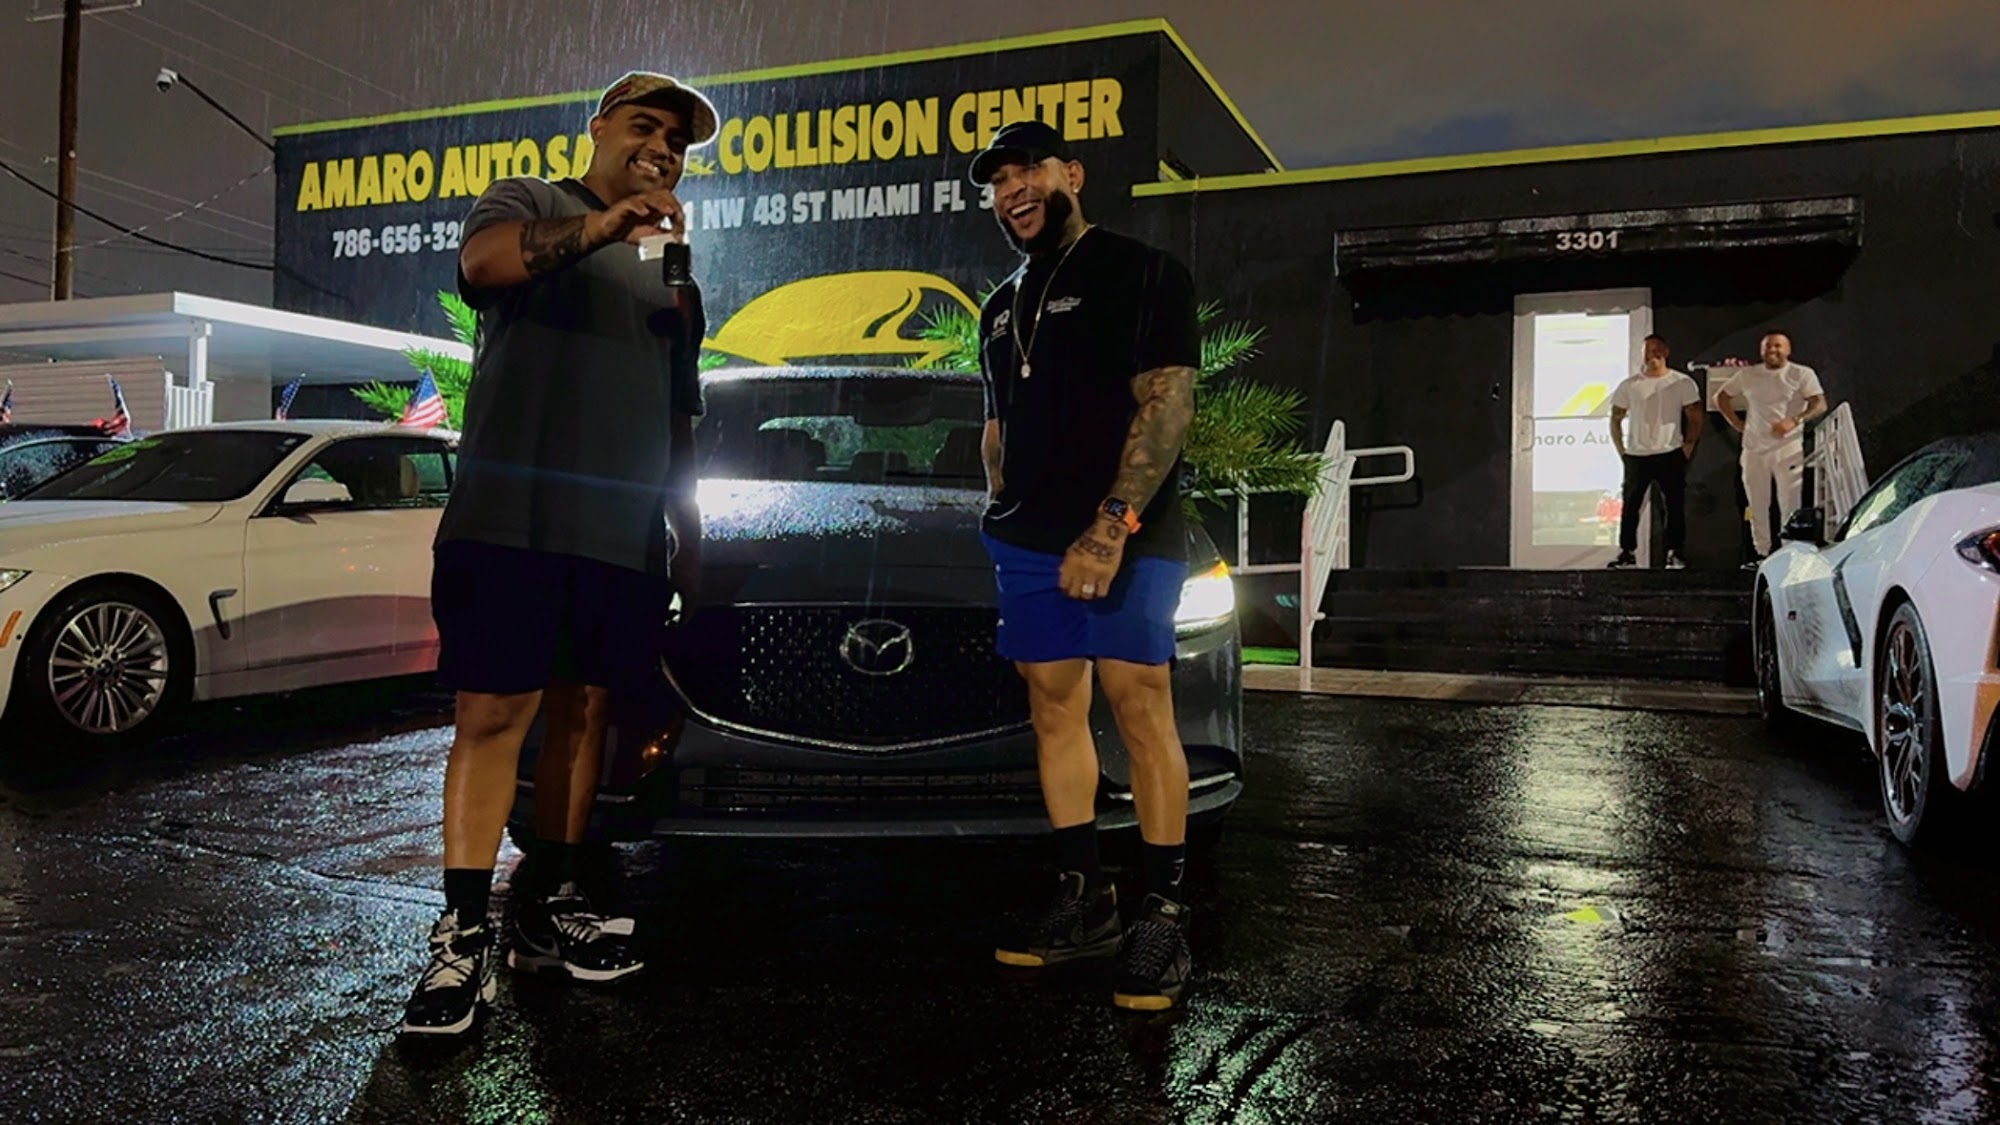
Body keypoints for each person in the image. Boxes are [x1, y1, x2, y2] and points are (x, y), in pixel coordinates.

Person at [399, 71, 714, 1037]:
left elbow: (678, 414)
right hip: (512, 520)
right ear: (600, 129)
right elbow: (485, 264)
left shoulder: (676, 275)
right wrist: (607, 224)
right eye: (644, 127)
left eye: (678, 143)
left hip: (621, 535)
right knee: (494, 715)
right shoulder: (531, 200)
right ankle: (462, 932)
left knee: (584, 716)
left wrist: (685, 529)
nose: (662, 149)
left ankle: (550, 903)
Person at [969, 119, 1203, 1011]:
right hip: (1027, 543)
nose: (1013, 192)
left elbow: (1167, 405)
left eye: (1027, 171)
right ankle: (1085, 898)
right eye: (998, 183)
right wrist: (999, 507)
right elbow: (998, 424)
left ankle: (1164, 910)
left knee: (1139, 705)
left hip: (1127, 534)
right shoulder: (1000, 306)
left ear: (1072, 173)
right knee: (1053, 708)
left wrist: (1111, 524)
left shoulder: (1143, 272)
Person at [1713, 332, 1827, 566]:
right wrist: (1736, 423)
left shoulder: (1801, 373)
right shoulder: (1748, 374)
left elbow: (1819, 403)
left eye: (1777, 346)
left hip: (1788, 448)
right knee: (1757, 504)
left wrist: (1795, 420)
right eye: (1767, 347)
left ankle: (1790, 554)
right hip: (1754, 449)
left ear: (1788, 349)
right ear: (1761, 350)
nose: (1772, 350)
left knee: (1790, 502)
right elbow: (1721, 397)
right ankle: (1762, 553)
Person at [1606, 334, 1702, 569]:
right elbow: (1616, 417)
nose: (1653, 353)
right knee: (1630, 506)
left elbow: (1695, 415)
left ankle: (1675, 552)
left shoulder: (1682, 382)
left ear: (1666, 352)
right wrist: (1622, 451)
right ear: (1643, 354)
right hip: (1637, 455)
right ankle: (1627, 553)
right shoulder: (1630, 385)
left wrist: (1689, 444)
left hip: (1670, 452)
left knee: (1674, 505)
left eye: (1658, 349)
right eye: (1649, 350)